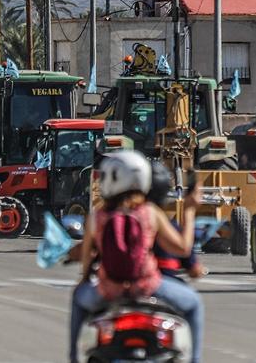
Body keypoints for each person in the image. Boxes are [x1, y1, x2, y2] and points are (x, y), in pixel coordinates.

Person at [68, 151, 204, 363]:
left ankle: (74, 358)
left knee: (78, 300)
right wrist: (189, 211)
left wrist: (84, 281)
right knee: (194, 304)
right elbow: (183, 249)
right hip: (148, 286)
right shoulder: (149, 212)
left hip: (108, 289)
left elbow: (86, 264)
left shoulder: (98, 216)